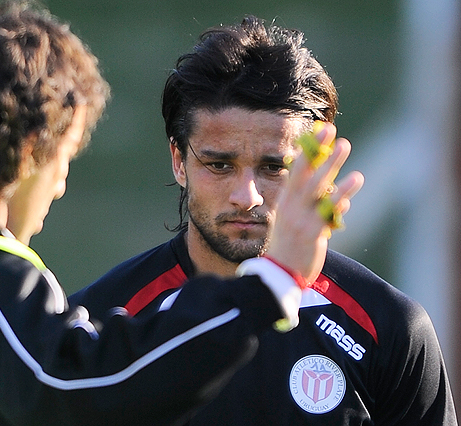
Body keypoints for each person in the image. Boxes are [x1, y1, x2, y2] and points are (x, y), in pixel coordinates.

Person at [0, 3, 364, 426]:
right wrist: (271, 282)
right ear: (29, 151)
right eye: (65, 157)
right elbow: (80, 392)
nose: (60, 186)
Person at [70, 15, 457, 425]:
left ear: (315, 167)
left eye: (274, 168)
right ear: (178, 161)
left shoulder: (389, 328)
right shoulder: (99, 322)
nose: (246, 196)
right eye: (220, 165)